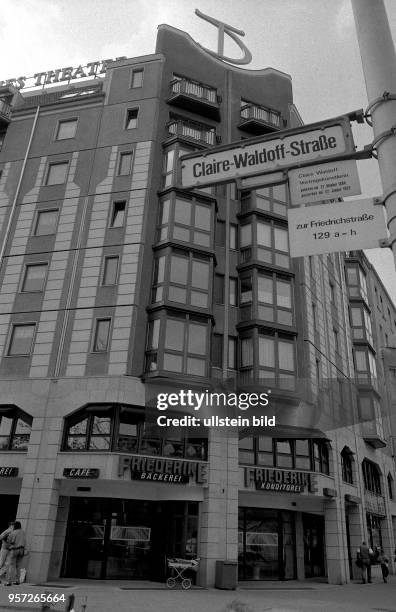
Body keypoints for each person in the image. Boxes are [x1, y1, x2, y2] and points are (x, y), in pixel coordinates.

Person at [3, 521, 26, 586]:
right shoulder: (23, 532)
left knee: (11, 566)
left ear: (15, 526)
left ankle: (8, 582)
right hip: (21, 550)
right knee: (18, 566)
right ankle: (17, 581)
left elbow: (8, 541)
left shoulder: (13, 533)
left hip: (14, 550)